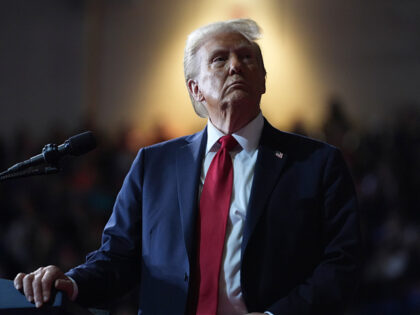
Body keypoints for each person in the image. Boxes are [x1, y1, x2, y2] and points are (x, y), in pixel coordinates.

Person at [14, 19, 361, 314]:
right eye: (220, 60)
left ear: (264, 80)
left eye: (246, 58)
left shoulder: (316, 163)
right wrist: (71, 281)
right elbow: (118, 256)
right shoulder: (155, 164)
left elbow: (342, 264)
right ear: (195, 89)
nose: (235, 66)